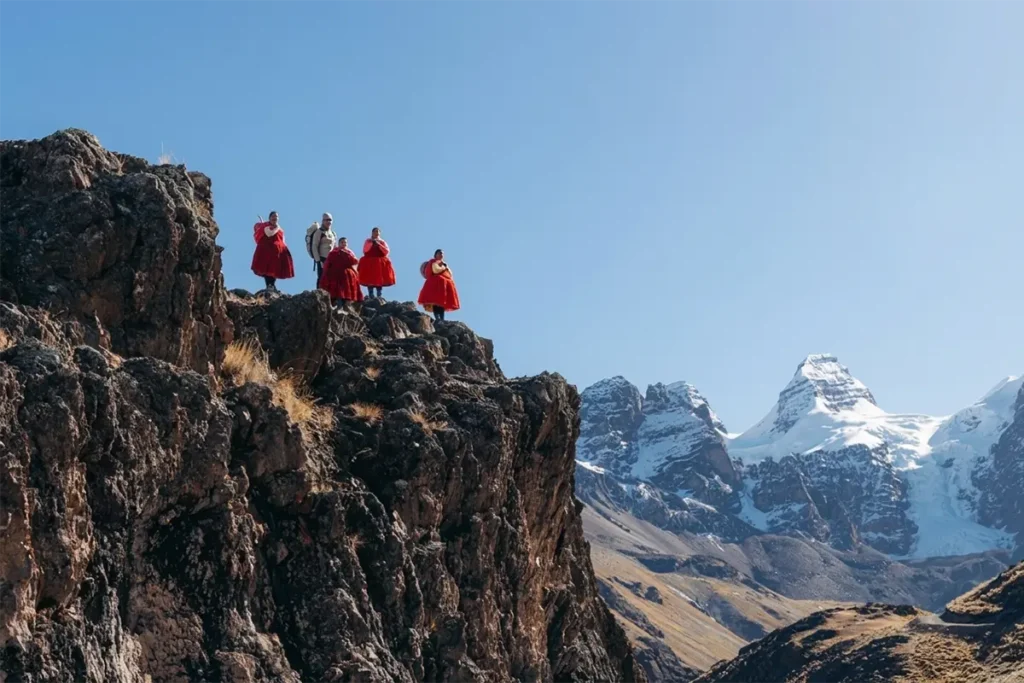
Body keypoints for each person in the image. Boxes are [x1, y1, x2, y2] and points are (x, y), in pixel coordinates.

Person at [251, 211, 295, 291]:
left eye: (276, 216)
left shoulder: (280, 229)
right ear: (269, 218)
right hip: (266, 252)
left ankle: (272, 285)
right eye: (273, 216)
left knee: (274, 269)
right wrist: (277, 227)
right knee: (267, 269)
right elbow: (269, 233)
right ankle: (269, 285)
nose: (275, 218)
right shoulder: (266, 227)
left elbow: (282, 240)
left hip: (276, 253)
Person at [318, 237, 363, 311]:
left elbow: (354, 262)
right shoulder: (334, 252)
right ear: (339, 244)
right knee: (338, 291)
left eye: (345, 242)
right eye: (342, 242)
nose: (344, 244)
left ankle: (346, 306)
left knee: (347, 290)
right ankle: (339, 305)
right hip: (336, 274)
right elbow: (328, 263)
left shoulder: (350, 252)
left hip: (348, 275)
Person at [417, 249, 460, 322]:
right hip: (435, 284)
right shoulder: (434, 262)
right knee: (435, 302)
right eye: (439, 253)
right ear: (435, 255)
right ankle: (437, 318)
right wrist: (444, 268)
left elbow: (450, 274)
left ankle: (442, 319)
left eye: (442, 253)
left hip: (443, 285)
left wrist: (445, 267)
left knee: (441, 303)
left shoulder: (444, 264)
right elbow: (436, 270)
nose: (441, 254)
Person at [358, 226, 396, 299]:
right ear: (372, 233)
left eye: (378, 232)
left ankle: (379, 294)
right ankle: (371, 294)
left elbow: (386, 251)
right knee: (369, 278)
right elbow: (365, 250)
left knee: (379, 278)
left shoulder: (382, 242)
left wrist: (378, 244)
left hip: (379, 262)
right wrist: (372, 243)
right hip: (369, 262)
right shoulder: (368, 241)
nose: (376, 233)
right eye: (375, 231)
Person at [305, 213, 337, 281]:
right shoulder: (319, 232)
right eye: (326, 220)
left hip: (331, 260)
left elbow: (335, 247)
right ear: (323, 221)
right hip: (322, 259)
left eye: (330, 220)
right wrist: (318, 261)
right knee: (322, 279)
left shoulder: (333, 233)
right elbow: (314, 246)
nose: (328, 222)